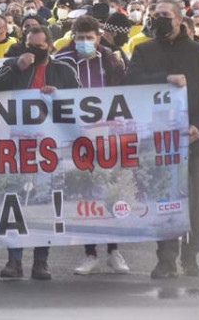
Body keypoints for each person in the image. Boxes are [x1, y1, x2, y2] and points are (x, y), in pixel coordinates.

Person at [125, 0, 199, 278]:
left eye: (165, 15)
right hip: (157, 140)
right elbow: (131, 82)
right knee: (163, 199)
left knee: (193, 202)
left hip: (194, 141)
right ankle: (166, 259)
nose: (160, 20)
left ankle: (191, 256)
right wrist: (165, 78)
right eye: (155, 16)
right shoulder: (143, 50)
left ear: (179, 19)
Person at [0, 26, 80, 280]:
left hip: (51, 148)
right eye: (30, 45)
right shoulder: (13, 64)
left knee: (45, 201)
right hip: (18, 146)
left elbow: (81, 101)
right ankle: (13, 260)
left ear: (50, 46)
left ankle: (41, 262)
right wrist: (18, 67)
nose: (35, 51)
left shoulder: (63, 71)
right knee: (15, 202)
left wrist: (58, 95)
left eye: (40, 46)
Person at [54, 17, 130, 275]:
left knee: (111, 190)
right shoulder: (61, 59)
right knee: (85, 193)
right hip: (75, 135)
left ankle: (113, 251)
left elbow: (126, 89)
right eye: (80, 37)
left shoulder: (110, 58)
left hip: (107, 133)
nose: (85, 42)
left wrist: (121, 68)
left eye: (90, 38)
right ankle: (90, 253)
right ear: (72, 37)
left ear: (99, 37)